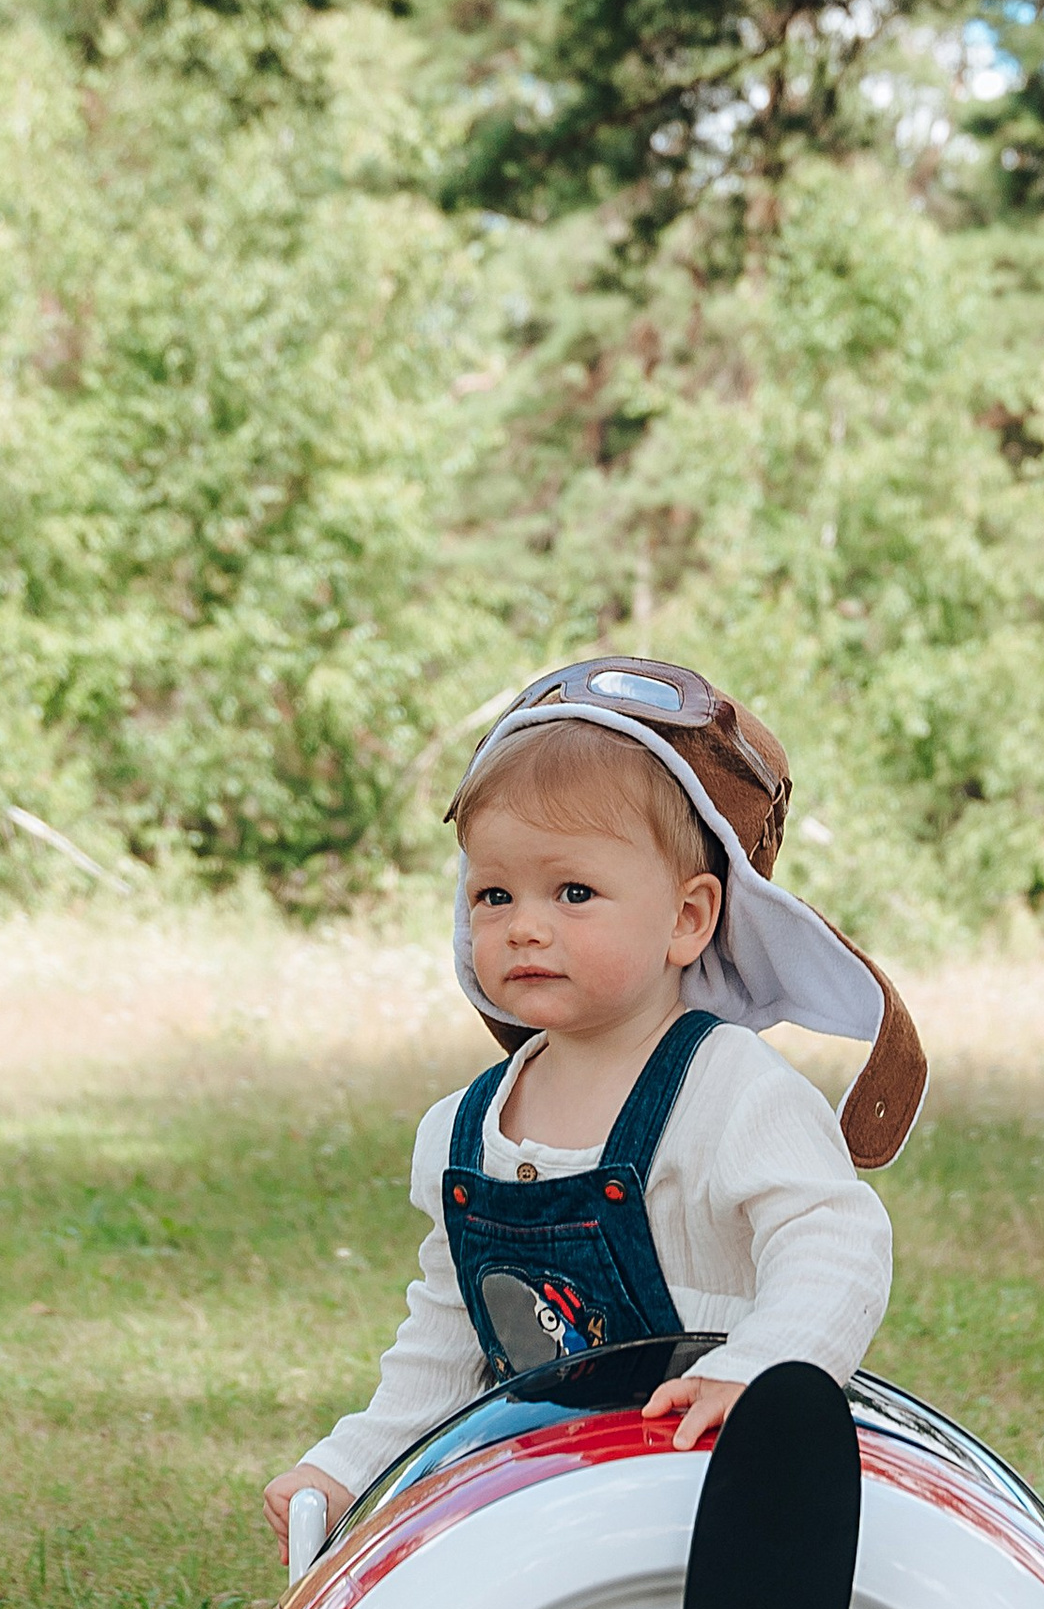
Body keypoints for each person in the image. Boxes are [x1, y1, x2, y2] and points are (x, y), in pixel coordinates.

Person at [264, 656, 929, 1557]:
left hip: (721, 1483)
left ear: (689, 919)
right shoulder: (466, 1132)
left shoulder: (734, 1092)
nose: (525, 925)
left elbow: (836, 1243)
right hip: (547, 1498)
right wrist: (356, 1466)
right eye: (494, 895)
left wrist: (765, 1370)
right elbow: (449, 1332)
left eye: (573, 893)